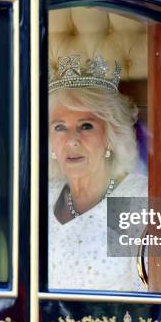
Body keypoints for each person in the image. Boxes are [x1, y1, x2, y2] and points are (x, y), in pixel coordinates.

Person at [47, 54, 148, 291]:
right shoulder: (39, 200)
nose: (72, 140)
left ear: (110, 137)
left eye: (86, 126)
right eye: (59, 127)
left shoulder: (140, 198)